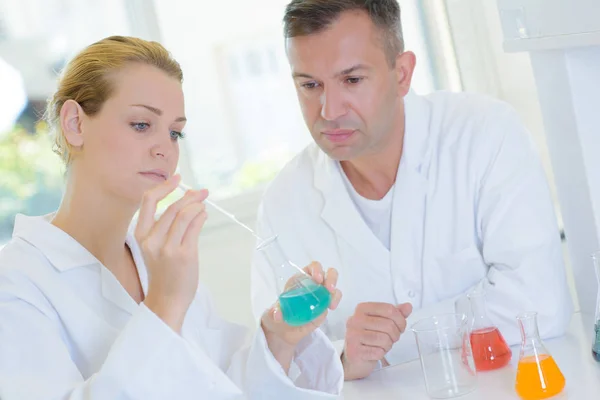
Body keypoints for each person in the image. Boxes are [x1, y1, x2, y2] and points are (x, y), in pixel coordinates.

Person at [0, 36, 344, 399]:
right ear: (75, 124)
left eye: (175, 132)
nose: (165, 148)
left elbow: (219, 385)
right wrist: (163, 303)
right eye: (141, 124)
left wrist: (278, 337)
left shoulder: (158, 261)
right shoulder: (15, 284)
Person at [251, 0, 573, 381]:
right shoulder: (283, 202)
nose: (329, 110)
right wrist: (341, 358)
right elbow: (271, 363)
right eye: (309, 85)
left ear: (402, 73)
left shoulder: (486, 134)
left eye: (352, 80)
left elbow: (540, 303)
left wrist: (391, 345)